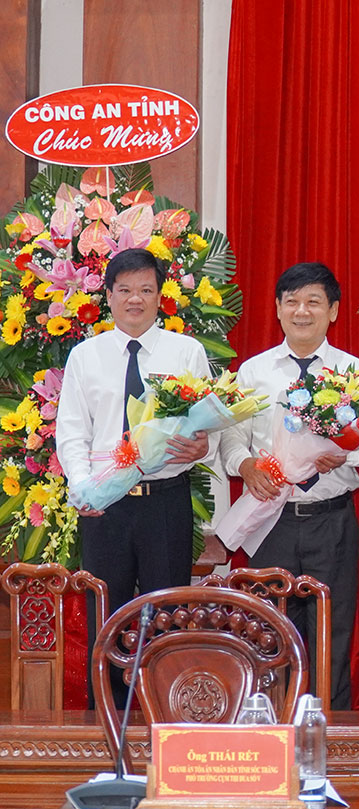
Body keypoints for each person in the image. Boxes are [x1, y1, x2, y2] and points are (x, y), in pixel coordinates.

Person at [55, 248, 212, 702]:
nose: (135, 300)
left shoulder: (188, 352)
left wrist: (204, 447)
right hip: (105, 506)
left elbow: (208, 428)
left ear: (160, 296)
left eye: (146, 290)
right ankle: (105, 728)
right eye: (125, 290)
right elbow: (71, 432)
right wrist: (84, 489)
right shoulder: (86, 356)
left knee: (168, 614)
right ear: (108, 296)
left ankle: (165, 715)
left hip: (166, 501)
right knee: (105, 615)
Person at [218, 262, 359, 709]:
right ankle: (270, 723)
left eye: (314, 302)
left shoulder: (354, 371)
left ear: (333, 311)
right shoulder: (253, 372)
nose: (302, 311)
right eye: (292, 302)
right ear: (279, 309)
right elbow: (231, 438)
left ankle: (333, 733)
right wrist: (245, 466)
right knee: (268, 630)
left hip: (332, 519)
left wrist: (347, 454)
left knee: (333, 630)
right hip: (271, 519)